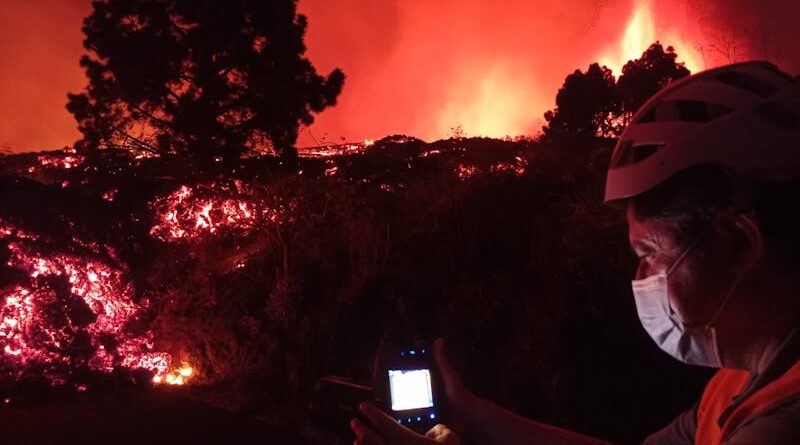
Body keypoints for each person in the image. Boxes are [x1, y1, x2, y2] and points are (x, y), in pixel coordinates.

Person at [350, 61, 800, 445]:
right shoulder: (742, 382)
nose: (642, 276)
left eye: (650, 252)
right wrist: (469, 413)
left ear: (740, 242)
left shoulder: (783, 423)